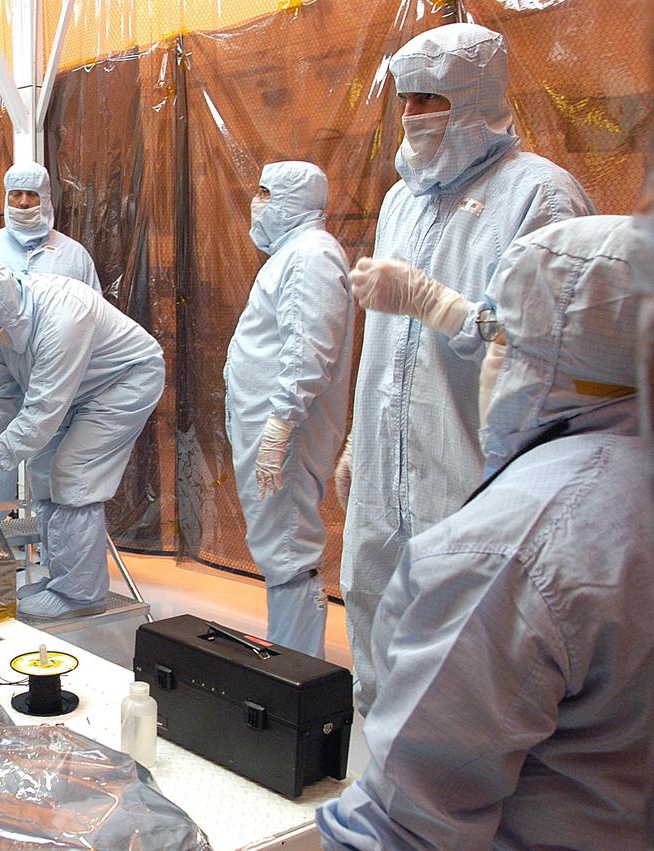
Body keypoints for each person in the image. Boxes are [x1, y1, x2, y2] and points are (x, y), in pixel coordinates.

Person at [317, 215, 654, 850]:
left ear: (548, 351)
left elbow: (405, 828)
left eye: (502, 334)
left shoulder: (512, 553)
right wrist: (362, 441)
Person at [336, 22, 594, 713]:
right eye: (408, 99)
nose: (416, 115)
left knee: (469, 669)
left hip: (476, 481)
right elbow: (385, 344)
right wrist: (358, 441)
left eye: (433, 99)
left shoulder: (539, 196)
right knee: (376, 635)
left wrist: (442, 307)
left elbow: (558, 351)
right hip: (385, 489)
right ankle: (388, 797)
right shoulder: (401, 199)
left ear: (477, 94)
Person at [0, 260, 164, 619]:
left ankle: (81, 595)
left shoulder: (64, 317)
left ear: (7, 314)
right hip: (76, 391)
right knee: (43, 472)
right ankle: (62, 580)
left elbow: (39, 416)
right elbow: (1, 399)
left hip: (123, 383)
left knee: (73, 473)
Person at [223, 161, 353, 659]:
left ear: (296, 201)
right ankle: (287, 657)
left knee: (288, 550)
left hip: (287, 432)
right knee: (278, 545)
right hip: (273, 427)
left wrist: (279, 427)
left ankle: (296, 669)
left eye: (266, 192)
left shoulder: (311, 258)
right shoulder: (292, 255)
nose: (256, 202)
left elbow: (308, 352)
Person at [0, 162, 102, 507]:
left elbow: (93, 318)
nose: (23, 203)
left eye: (31, 195)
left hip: (56, 379)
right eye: (16, 195)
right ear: (5, 198)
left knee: (52, 473)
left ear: (46, 198)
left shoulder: (73, 256)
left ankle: (50, 551)